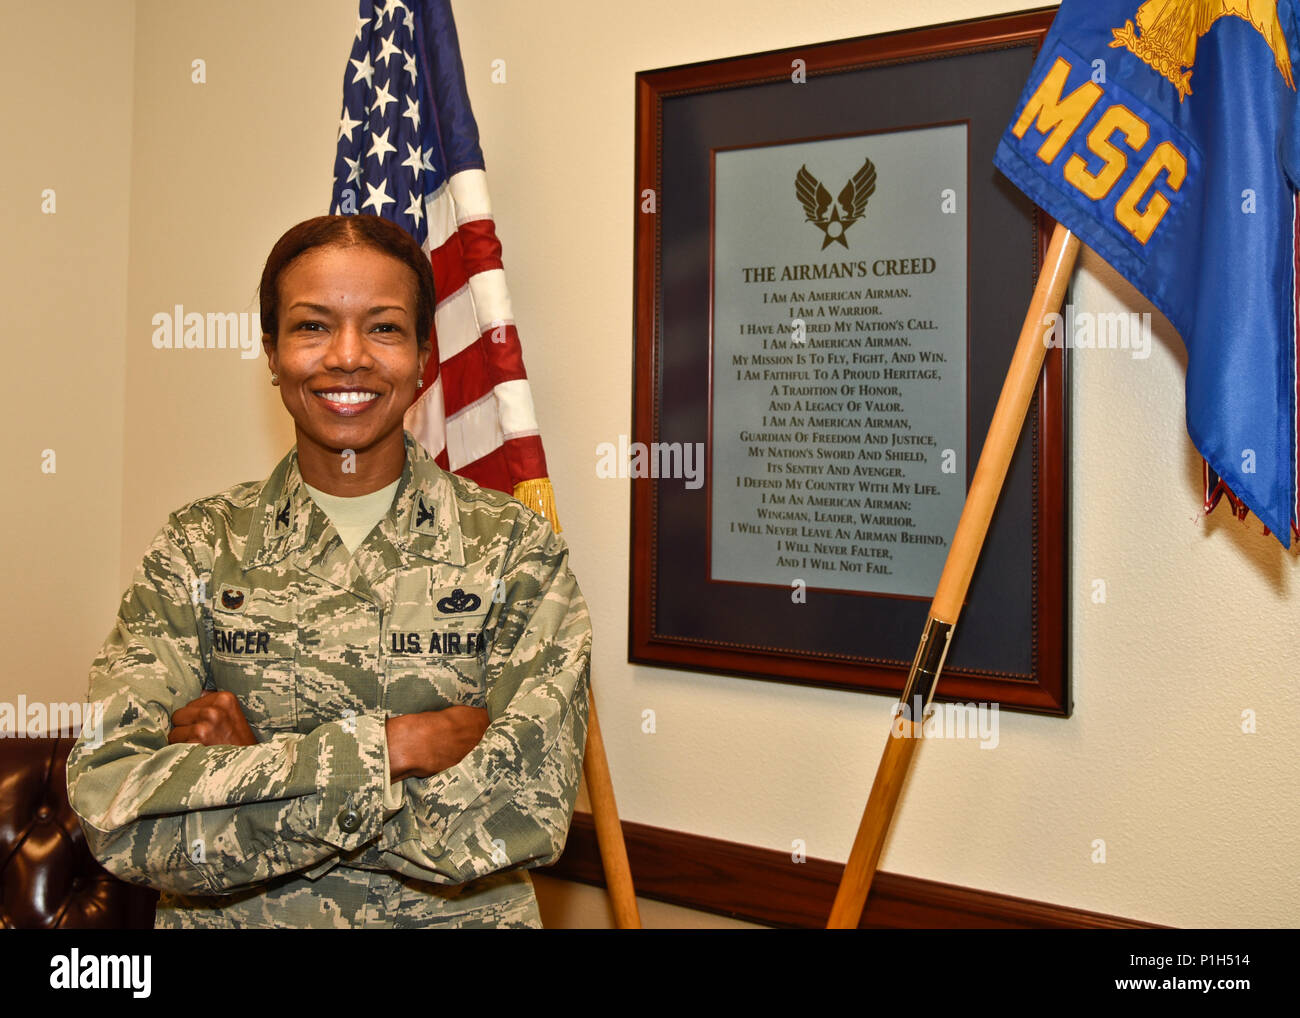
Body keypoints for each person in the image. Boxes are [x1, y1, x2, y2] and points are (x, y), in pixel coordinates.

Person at [66, 214, 592, 928]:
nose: (348, 357)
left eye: (383, 328)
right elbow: (114, 802)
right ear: (273, 354)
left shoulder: (515, 554)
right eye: (313, 326)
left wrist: (255, 775)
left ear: (423, 357)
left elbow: (520, 813)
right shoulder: (197, 549)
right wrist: (393, 749)